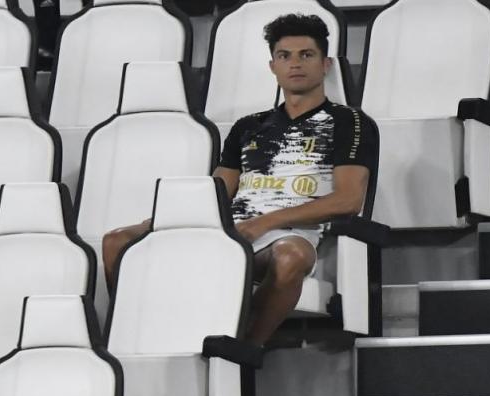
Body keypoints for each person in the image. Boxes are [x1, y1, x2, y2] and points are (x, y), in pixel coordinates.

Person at [101, 14, 377, 347]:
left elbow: (348, 200)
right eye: (284, 56)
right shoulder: (248, 126)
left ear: (326, 64)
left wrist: (266, 222)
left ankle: (245, 348)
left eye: (306, 55)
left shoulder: (349, 121)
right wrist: (166, 220)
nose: (295, 64)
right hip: (231, 227)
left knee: (292, 257)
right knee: (118, 240)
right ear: (272, 66)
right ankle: (135, 335)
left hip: (288, 233)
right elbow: (217, 192)